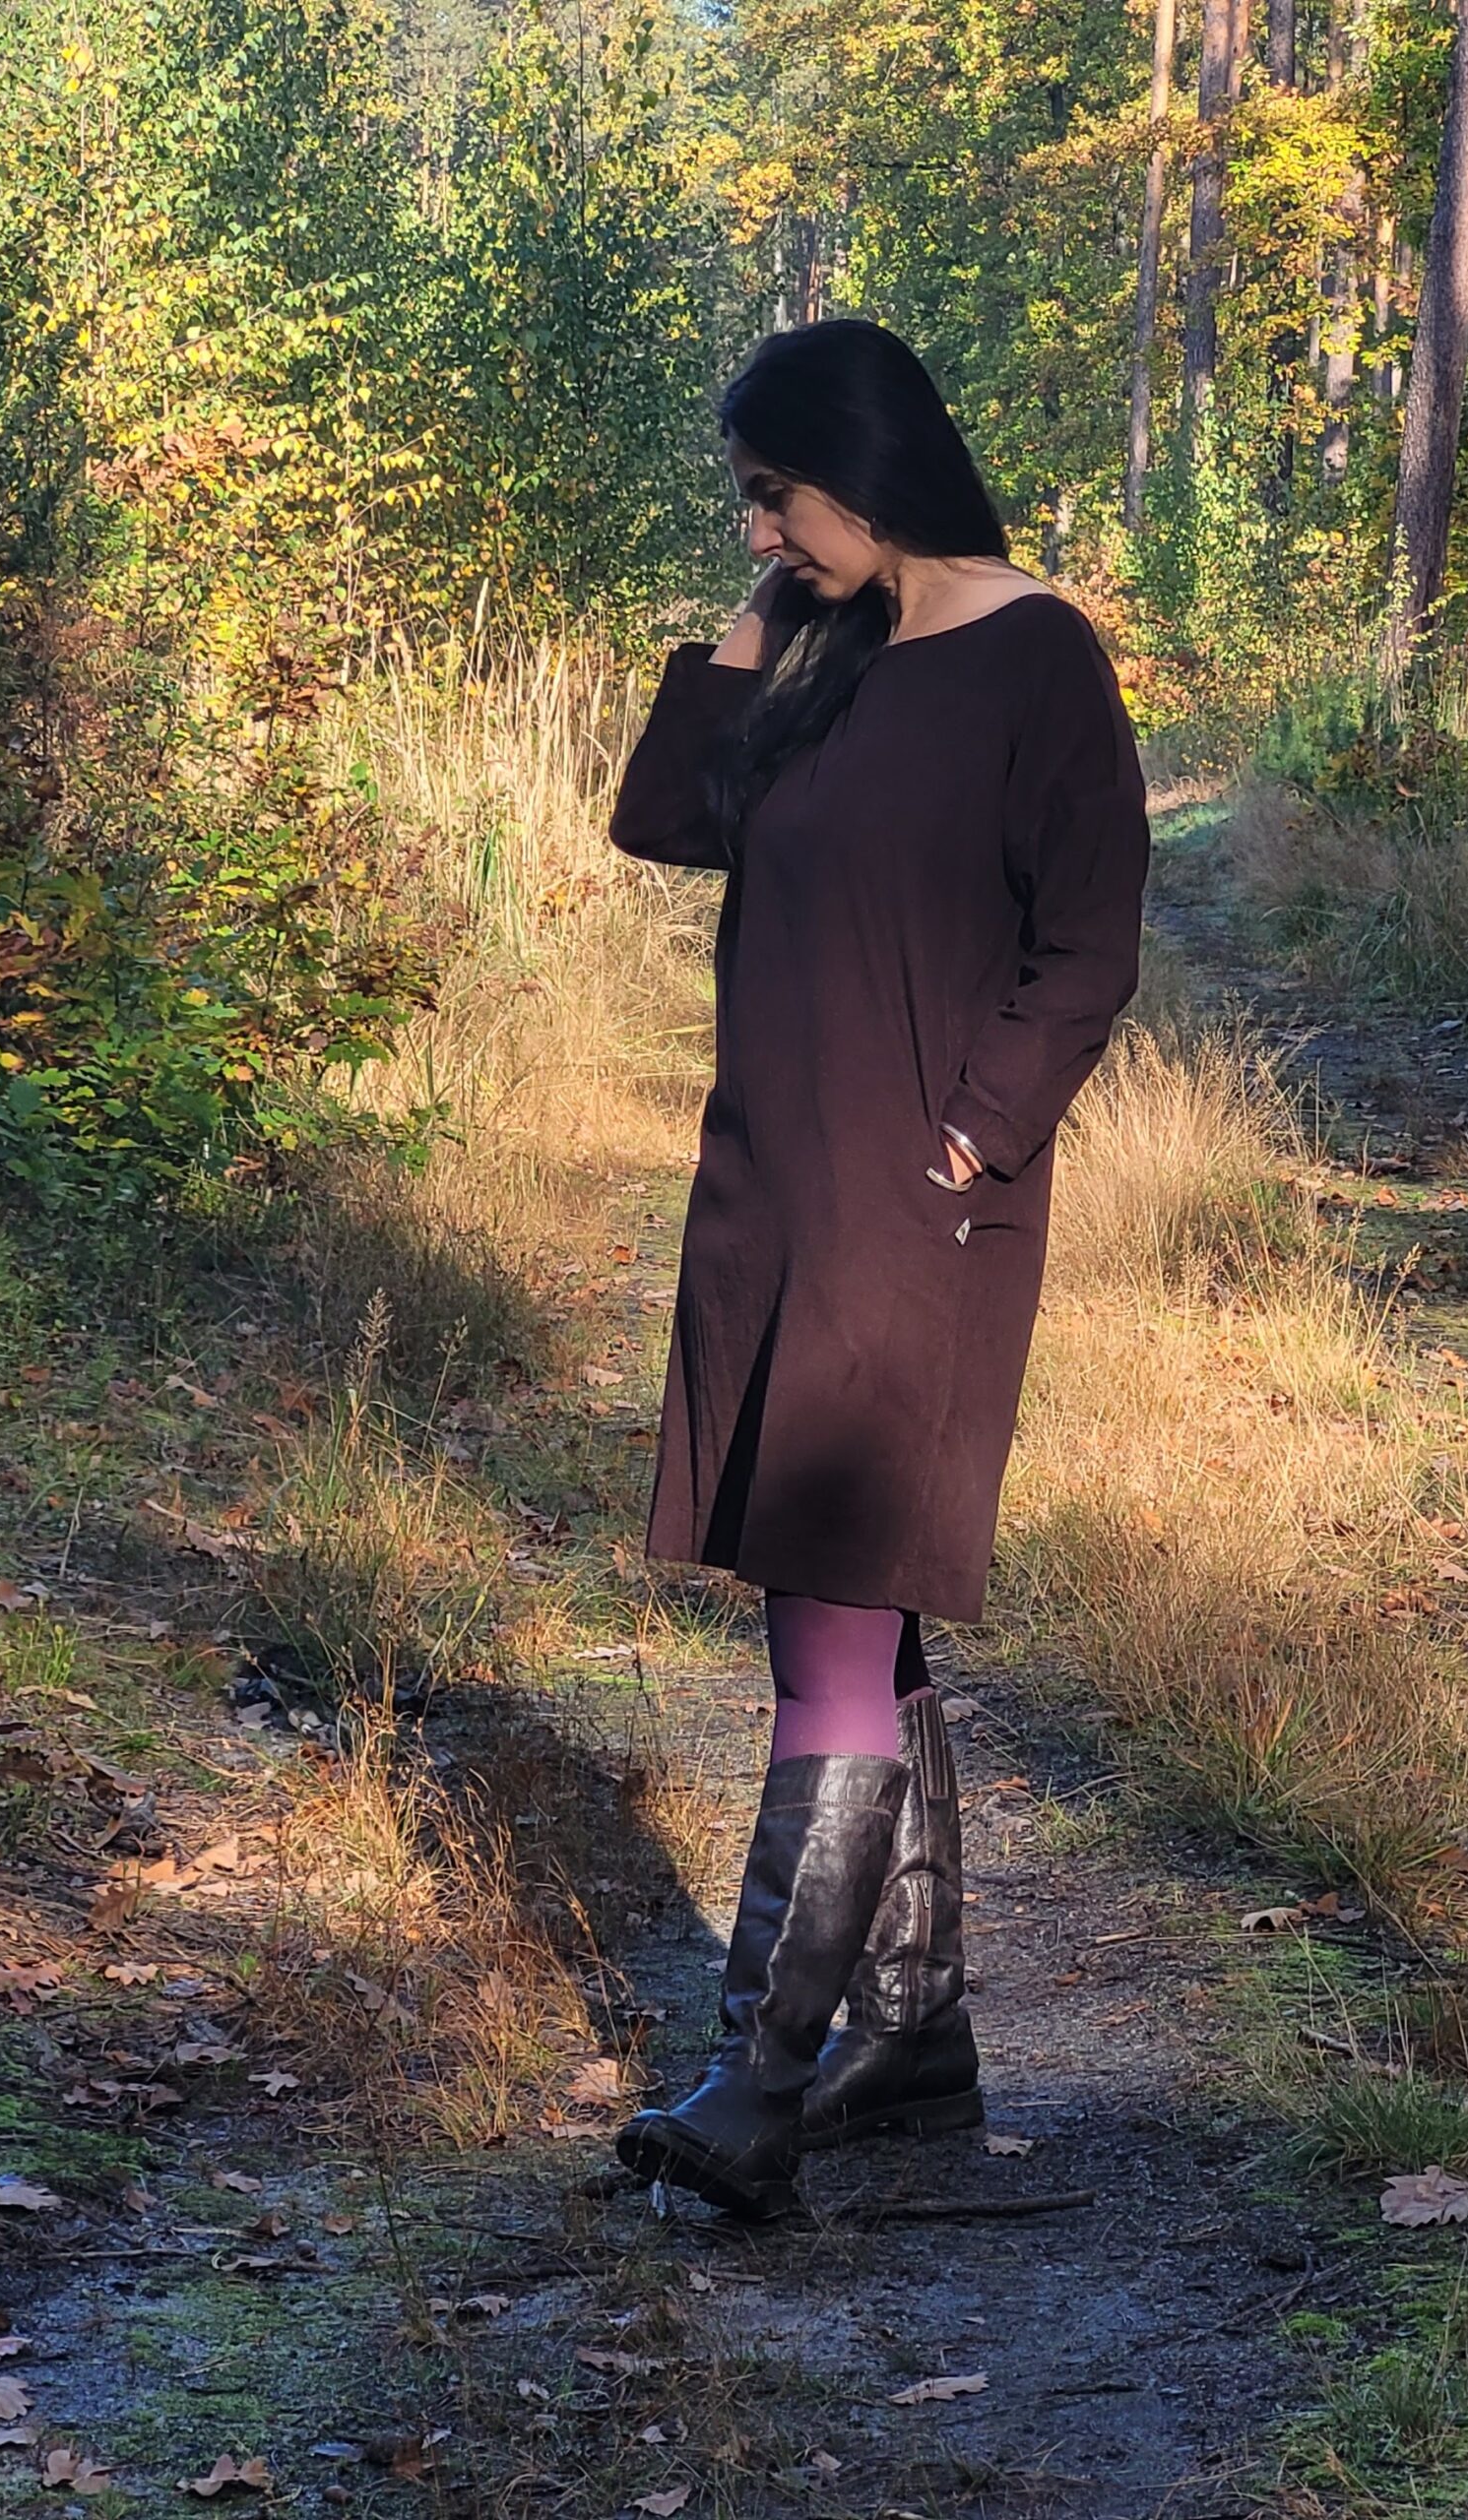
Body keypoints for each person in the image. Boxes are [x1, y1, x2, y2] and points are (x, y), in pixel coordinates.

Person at [605, 319, 1150, 2218]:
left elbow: (1089, 940)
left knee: (833, 1612)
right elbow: (662, 819)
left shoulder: (1038, 658)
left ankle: (757, 2079)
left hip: (916, 1207)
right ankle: (911, 2039)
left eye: (776, 495)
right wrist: (754, 621)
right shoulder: (822, 647)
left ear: (870, 469)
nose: (758, 527)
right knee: (835, 1599)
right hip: (769, 1186)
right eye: (748, 502)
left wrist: (977, 1133)